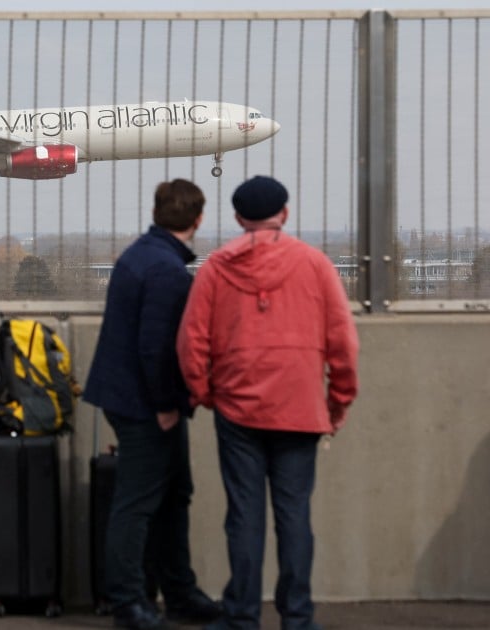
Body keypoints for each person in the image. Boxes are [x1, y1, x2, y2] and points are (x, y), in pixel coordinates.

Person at [177, 176, 359, 630]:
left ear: (239, 219)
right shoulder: (315, 265)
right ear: (286, 213)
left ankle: (241, 616)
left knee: (244, 515)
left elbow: (191, 343)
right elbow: (343, 344)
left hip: (237, 408)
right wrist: (336, 404)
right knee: (295, 515)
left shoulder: (217, 269)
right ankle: (297, 617)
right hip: (299, 407)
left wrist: (205, 393)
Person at [82, 179, 224, 630]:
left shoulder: (142, 255)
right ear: (198, 219)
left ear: (157, 211)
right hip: (146, 403)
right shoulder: (164, 269)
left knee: (172, 494)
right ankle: (130, 603)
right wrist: (166, 404)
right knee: (139, 503)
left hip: (131, 397)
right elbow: (156, 347)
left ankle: (179, 591)